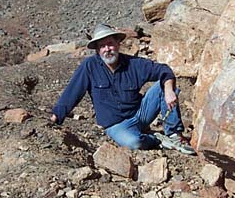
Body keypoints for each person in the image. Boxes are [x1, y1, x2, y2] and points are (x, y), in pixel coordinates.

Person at [49, 23, 196, 155]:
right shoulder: (89, 66)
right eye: (102, 46)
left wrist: (169, 91)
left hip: (141, 114)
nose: (107, 49)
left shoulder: (133, 64)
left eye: (110, 44)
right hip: (116, 125)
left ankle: (174, 135)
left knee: (164, 85)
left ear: (118, 44)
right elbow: (72, 93)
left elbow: (165, 70)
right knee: (134, 142)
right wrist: (56, 116)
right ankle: (155, 139)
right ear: (97, 50)